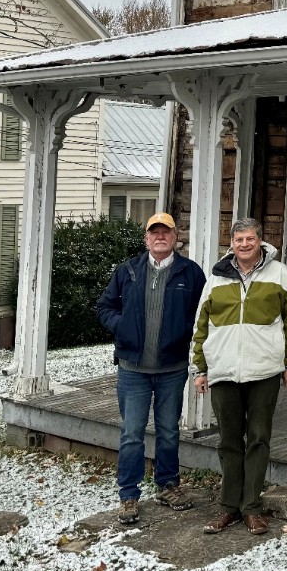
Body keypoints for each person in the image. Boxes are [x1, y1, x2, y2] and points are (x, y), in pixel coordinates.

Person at [192, 217, 287, 535]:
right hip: (224, 371)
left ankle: (252, 508)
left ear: (260, 241)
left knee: (258, 439)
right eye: (239, 239)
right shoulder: (216, 278)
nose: (245, 244)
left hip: (264, 371)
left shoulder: (281, 275)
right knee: (229, 441)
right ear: (232, 243)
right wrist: (199, 369)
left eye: (250, 239)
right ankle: (228, 507)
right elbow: (201, 326)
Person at [96, 212, 206, 526]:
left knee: (169, 431)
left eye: (166, 232)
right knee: (132, 433)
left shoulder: (190, 273)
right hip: (133, 369)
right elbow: (104, 307)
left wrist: (185, 335)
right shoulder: (128, 271)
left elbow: (202, 313)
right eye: (154, 232)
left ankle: (167, 486)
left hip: (172, 368)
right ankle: (128, 494)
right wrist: (123, 326)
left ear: (175, 238)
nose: (160, 237)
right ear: (146, 239)